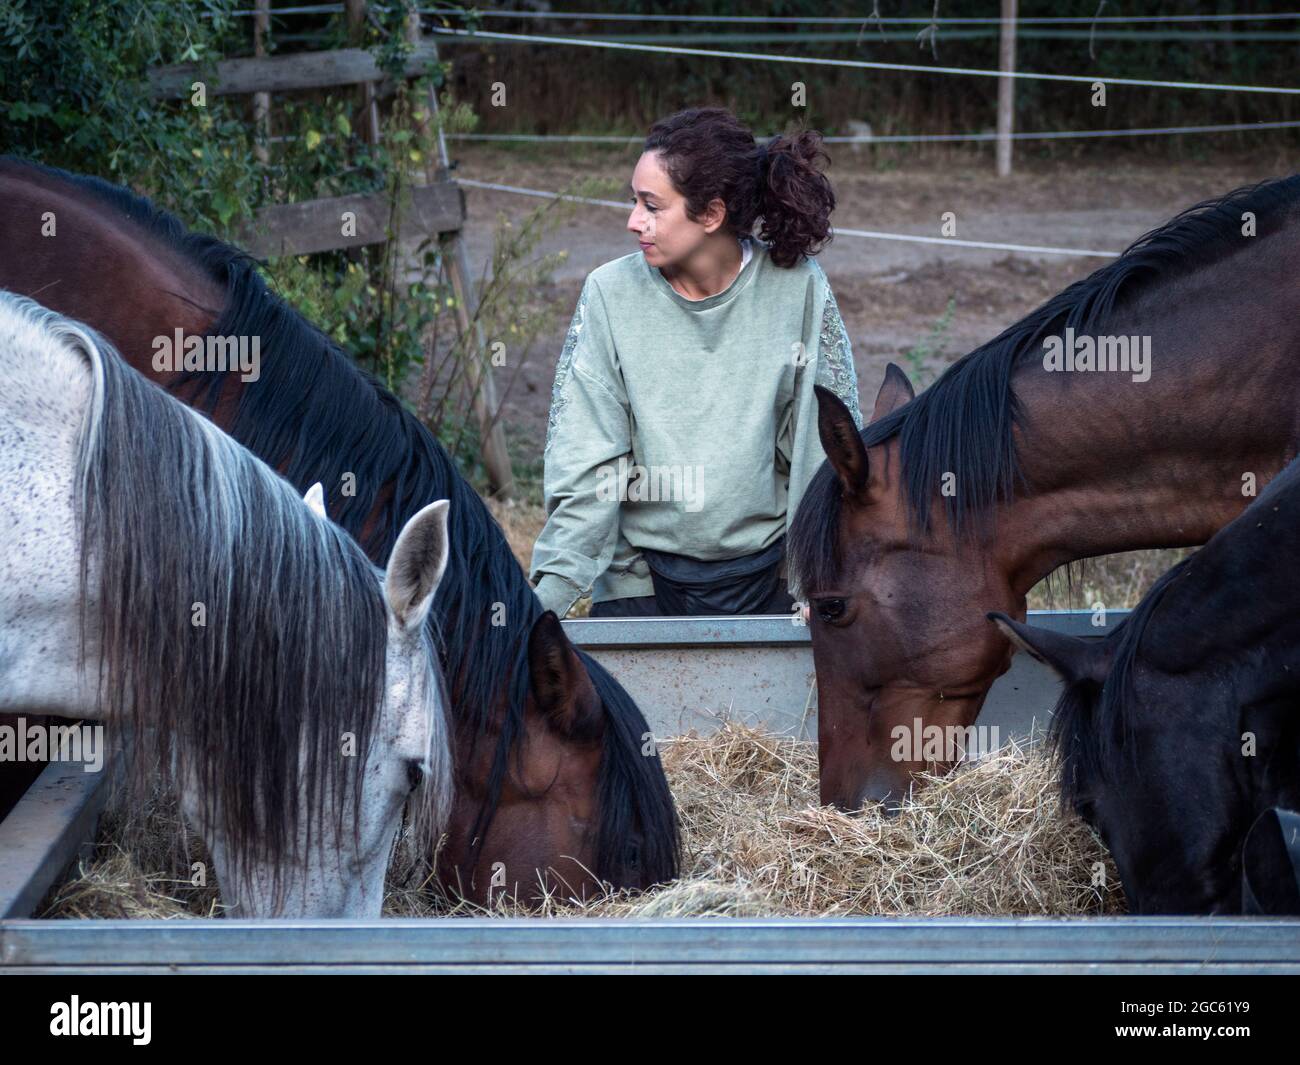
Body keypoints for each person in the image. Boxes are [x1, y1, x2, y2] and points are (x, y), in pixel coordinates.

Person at [529, 107, 864, 618]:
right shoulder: (610, 294)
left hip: (771, 574)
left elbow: (820, 451)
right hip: (641, 578)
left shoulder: (797, 288)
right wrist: (551, 592)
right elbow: (586, 455)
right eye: (633, 201)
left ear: (710, 214)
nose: (632, 221)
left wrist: (818, 581)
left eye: (651, 205)